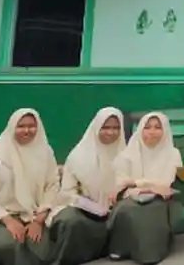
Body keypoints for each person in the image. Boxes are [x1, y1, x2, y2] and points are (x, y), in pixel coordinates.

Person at [0, 108, 59, 265]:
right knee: (7, 245)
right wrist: (8, 221)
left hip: (32, 216)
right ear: (12, 127)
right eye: (21, 126)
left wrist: (38, 220)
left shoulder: (45, 153)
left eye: (31, 126)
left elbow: (52, 185)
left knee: (42, 252)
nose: (27, 130)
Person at [48, 107, 125, 265]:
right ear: (96, 127)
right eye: (106, 127)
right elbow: (66, 193)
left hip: (117, 211)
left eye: (116, 128)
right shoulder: (78, 156)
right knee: (70, 221)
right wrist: (87, 203)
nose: (111, 133)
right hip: (87, 212)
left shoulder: (127, 154)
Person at [110, 112, 183, 265]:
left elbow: (165, 182)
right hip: (132, 195)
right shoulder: (127, 153)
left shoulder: (173, 154)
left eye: (158, 127)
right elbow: (120, 180)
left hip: (160, 198)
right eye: (147, 127)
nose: (152, 132)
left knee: (149, 210)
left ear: (165, 131)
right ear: (140, 129)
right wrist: (145, 186)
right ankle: (122, 249)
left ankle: (150, 253)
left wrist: (135, 183)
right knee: (126, 208)